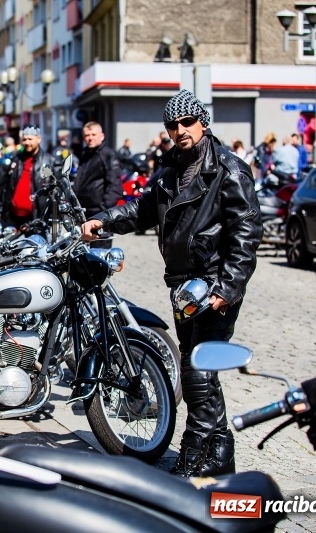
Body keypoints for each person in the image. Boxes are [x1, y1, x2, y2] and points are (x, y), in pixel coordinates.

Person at [81, 90, 263, 478]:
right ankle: (220, 452)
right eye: (173, 125)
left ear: (202, 122)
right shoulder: (169, 171)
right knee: (198, 367)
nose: (180, 131)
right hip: (182, 286)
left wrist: (228, 288)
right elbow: (142, 210)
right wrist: (104, 220)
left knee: (198, 373)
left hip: (212, 284)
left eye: (187, 123)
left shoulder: (229, 169)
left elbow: (246, 233)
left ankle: (193, 456)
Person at [73, 121, 123, 247]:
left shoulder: (108, 155)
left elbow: (115, 187)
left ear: (102, 136)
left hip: (99, 215)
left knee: (99, 253)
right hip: (83, 213)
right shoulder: (85, 154)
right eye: (87, 135)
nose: (90, 138)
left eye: (93, 134)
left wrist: (103, 211)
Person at [0, 125, 56, 227]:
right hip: (13, 217)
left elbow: (55, 189)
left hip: (36, 219)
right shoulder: (16, 159)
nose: (27, 142)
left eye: (30, 139)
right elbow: (6, 187)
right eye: (24, 139)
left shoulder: (49, 161)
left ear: (38, 139)